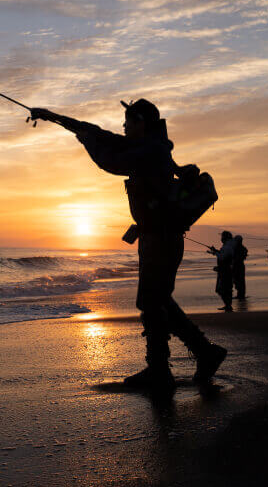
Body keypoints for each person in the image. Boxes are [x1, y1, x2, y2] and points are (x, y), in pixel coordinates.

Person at [30, 99, 227, 392]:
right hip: (155, 237)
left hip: (162, 239)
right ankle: (196, 355)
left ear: (142, 123)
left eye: (128, 121)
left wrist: (85, 139)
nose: (123, 126)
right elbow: (99, 132)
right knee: (156, 300)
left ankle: (163, 368)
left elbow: (110, 161)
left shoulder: (152, 151)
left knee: (151, 301)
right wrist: (55, 117)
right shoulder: (148, 146)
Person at [209, 231, 235, 311]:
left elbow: (223, 257)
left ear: (225, 238)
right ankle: (227, 305)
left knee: (222, 289)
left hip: (225, 270)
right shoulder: (228, 245)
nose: (221, 239)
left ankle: (228, 305)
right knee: (225, 288)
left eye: (222, 237)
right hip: (225, 269)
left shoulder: (227, 246)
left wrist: (215, 253)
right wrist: (215, 251)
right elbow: (223, 254)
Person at [233, 235, 248, 300]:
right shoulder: (243, 248)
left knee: (239, 281)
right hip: (240, 266)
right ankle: (240, 295)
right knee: (239, 281)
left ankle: (241, 295)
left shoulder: (238, 248)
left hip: (238, 266)